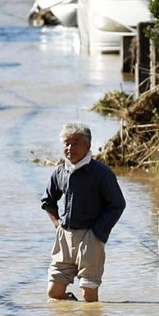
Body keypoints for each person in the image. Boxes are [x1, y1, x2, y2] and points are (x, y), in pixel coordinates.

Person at [41, 123, 126, 303]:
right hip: (65, 236)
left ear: (88, 146)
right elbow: (48, 200)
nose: (70, 148)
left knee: (89, 295)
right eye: (66, 143)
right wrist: (57, 225)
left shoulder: (101, 173)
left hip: (91, 237)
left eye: (75, 143)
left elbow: (117, 204)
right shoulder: (59, 171)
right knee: (54, 292)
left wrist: (98, 232)